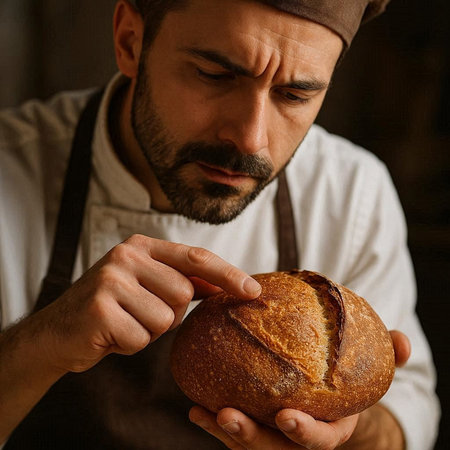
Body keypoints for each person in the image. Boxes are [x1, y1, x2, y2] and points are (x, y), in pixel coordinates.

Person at [0, 0, 440, 448]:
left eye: (296, 95)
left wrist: (345, 429)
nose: (250, 138)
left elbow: (409, 414)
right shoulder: (9, 175)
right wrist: (44, 342)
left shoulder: (349, 193)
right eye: (215, 75)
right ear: (130, 41)